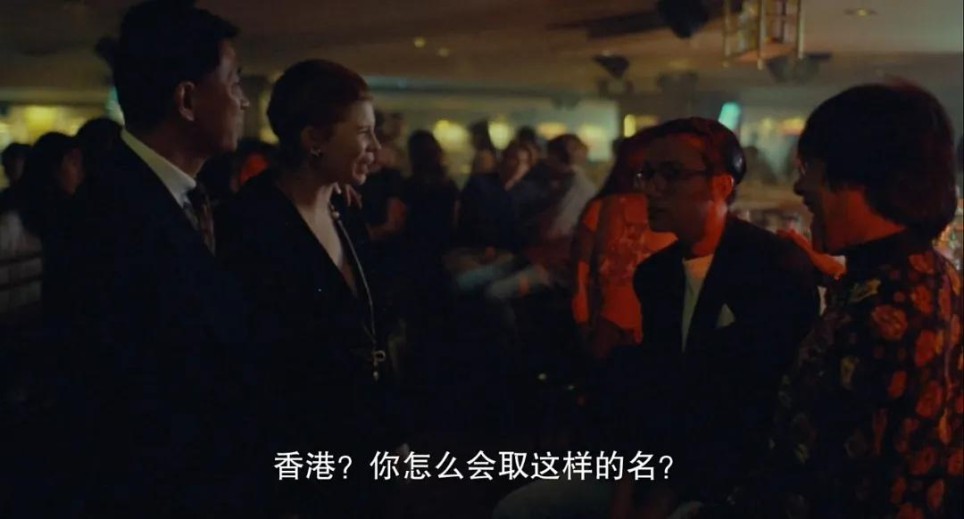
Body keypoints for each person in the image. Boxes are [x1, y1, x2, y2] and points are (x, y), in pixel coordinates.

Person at [701, 82, 962, 519]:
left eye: (812, 167)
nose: (800, 185)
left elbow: (833, 478)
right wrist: (838, 278)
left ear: (861, 174)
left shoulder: (883, 314)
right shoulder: (925, 274)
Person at [55, 1, 254, 515]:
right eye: (234, 82)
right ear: (186, 99)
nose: (244, 101)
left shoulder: (182, 195)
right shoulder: (108, 217)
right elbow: (125, 398)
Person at [217, 59, 404, 518]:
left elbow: (370, 330)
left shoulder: (346, 208)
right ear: (314, 139)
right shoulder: (252, 223)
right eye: (363, 133)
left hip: (363, 442)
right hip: (299, 455)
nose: (375, 148)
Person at [609, 117, 820, 518]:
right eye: (647, 174)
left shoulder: (772, 266)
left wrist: (662, 496)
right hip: (661, 465)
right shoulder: (655, 275)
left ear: (722, 184)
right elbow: (654, 390)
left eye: (672, 174)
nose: (652, 189)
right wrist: (628, 489)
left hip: (741, 480)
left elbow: (753, 404)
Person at [571, 128, 676, 361]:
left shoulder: (677, 211)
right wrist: (582, 323)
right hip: (607, 330)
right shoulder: (602, 208)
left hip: (661, 332)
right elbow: (580, 272)